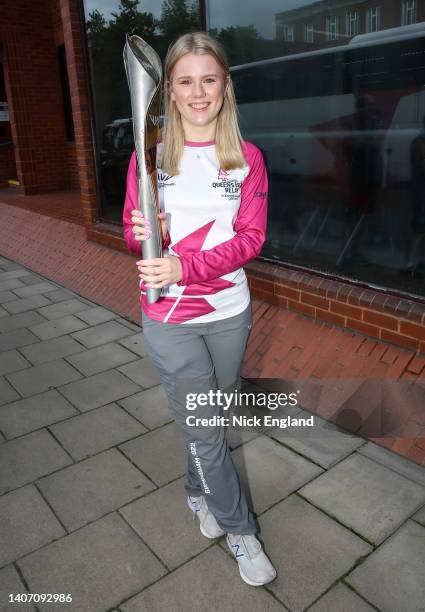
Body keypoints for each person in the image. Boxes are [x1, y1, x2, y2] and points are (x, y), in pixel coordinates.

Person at [122, 31, 276, 587]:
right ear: (170, 91)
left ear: (225, 85)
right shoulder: (152, 155)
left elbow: (251, 239)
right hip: (169, 316)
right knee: (209, 427)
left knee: (210, 418)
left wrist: (185, 264)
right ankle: (241, 530)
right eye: (185, 81)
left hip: (229, 311)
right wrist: (147, 231)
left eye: (208, 79)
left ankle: (197, 490)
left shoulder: (247, 159)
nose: (197, 91)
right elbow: (130, 229)